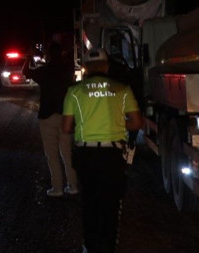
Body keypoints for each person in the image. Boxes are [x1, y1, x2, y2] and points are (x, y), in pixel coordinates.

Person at [62, 49, 144, 253]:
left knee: (89, 202)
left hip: (86, 155)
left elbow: (66, 128)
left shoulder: (75, 91)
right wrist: (115, 124)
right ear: (107, 66)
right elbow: (136, 123)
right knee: (110, 204)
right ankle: (107, 249)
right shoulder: (122, 89)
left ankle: (88, 246)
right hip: (112, 155)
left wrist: (85, 126)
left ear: (86, 68)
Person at [23, 41, 78, 197]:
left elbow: (26, 71)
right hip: (65, 115)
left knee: (52, 154)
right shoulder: (67, 70)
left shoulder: (43, 71)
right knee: (67, 153)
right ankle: (73, 186)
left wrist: (29, 57)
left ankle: (57, 188)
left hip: (47, 116)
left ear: (47, 55)